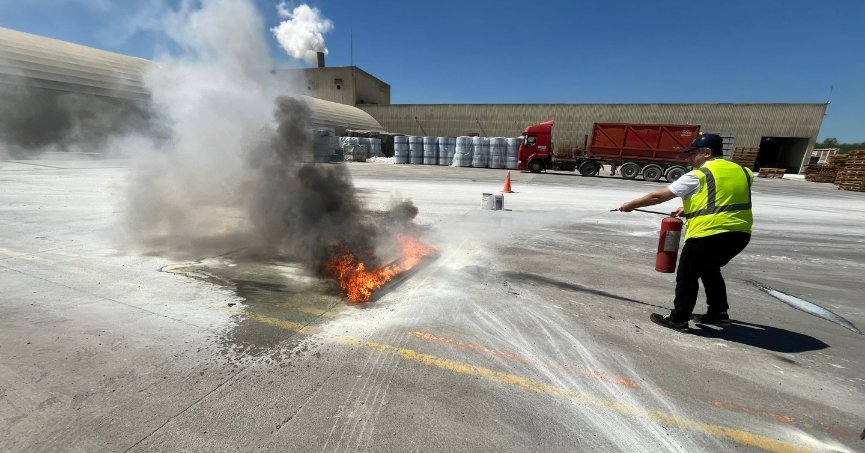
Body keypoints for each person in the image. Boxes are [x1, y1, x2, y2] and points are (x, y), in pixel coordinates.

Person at [618, 133, 753, 332]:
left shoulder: (699, 175)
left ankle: (678, 318)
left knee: (687, 275)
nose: (688, 158)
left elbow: (658, 197)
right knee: (710, 269)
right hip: (740, 234)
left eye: (693, 153)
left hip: (708, 233)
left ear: (707, 153)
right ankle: (718, 313)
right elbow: (725, 196)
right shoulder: (744, 172)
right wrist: (688, 209)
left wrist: (631, 205)